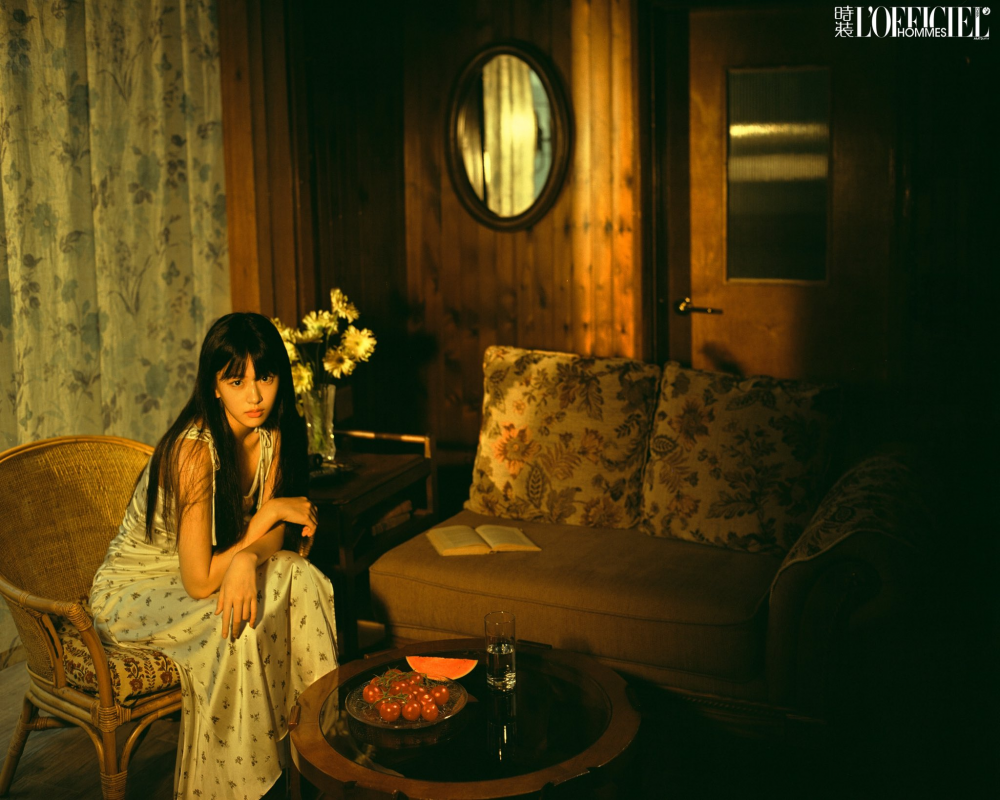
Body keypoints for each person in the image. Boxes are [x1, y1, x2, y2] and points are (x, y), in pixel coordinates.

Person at [90, 312, 337, 800]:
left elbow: (274, 545)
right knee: (236, 623)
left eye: (265, 377)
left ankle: (320, 742)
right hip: (135, 591)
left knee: (299, 574)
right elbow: (200, 581)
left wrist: (246, 556)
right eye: (236, 381)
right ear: (215, 386)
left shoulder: (272, 434)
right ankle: (246, 785)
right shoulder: (193, 451)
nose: (254, 396)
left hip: (210, 569)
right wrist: (268, 514)